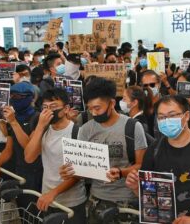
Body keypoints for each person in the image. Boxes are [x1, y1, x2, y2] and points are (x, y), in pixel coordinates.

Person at [126, 95, 190, 224]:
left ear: (186, 116)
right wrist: (136, 187)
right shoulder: (154, 150)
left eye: (172, 115)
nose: (166, 121)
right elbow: (149, 194)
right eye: (161, 117)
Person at [60, 77, 147, 224]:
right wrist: (69, 171)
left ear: (112, 103)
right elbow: (82, 168)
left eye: (98, 108)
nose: (93, 113)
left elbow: (141, 165)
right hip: (96, 199)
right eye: (90, 108)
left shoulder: (132, 127)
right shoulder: (86, 130)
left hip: (126, 201)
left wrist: (120, 172)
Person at [24, 88, 86, 223]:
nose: (48, 111)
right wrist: (40, 126)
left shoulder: (77, 133)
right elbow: (29, 157)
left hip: (72, 202)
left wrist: (54, 193)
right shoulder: (44, 130)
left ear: (65, 109)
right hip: (47, 199)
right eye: (45, 107)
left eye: (53, 107)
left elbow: (79, 173)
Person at [0, 82, 43, 210]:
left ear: (30, 98)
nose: (14, 99)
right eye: (12, 96)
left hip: (35, 174)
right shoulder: (13, 117)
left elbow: (29, 148)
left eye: (19, 97)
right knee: (21, 209)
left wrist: (13, 122)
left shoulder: (37, 118)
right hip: (18, 171)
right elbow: (9, 148)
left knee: (32, 211)